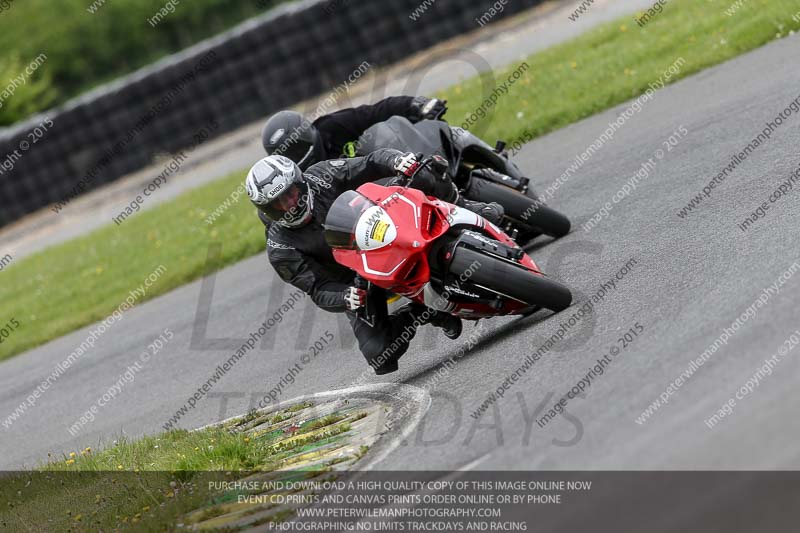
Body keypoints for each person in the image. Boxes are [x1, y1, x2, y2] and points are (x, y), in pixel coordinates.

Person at [245, 149, 477, 375]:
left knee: (423, 174)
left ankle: (471, 212)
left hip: (382, 227)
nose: (289, 205)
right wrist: (345, 296)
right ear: (266, 209)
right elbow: (317, 289)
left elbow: (368, 163)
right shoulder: (280, 247)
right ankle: (421, 312)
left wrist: (396, 160)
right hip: (358, 278)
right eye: (278, 204)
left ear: (300, 181)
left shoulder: (321, 176)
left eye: (290, 194)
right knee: (380, 355)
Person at [262, 96, 447, 170]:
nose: (299, 156)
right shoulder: (296, 184)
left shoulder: (331, 127)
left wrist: (415, 104)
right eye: (291, 155)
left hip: (393, 170)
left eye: (298, 147)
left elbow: (375, 112)